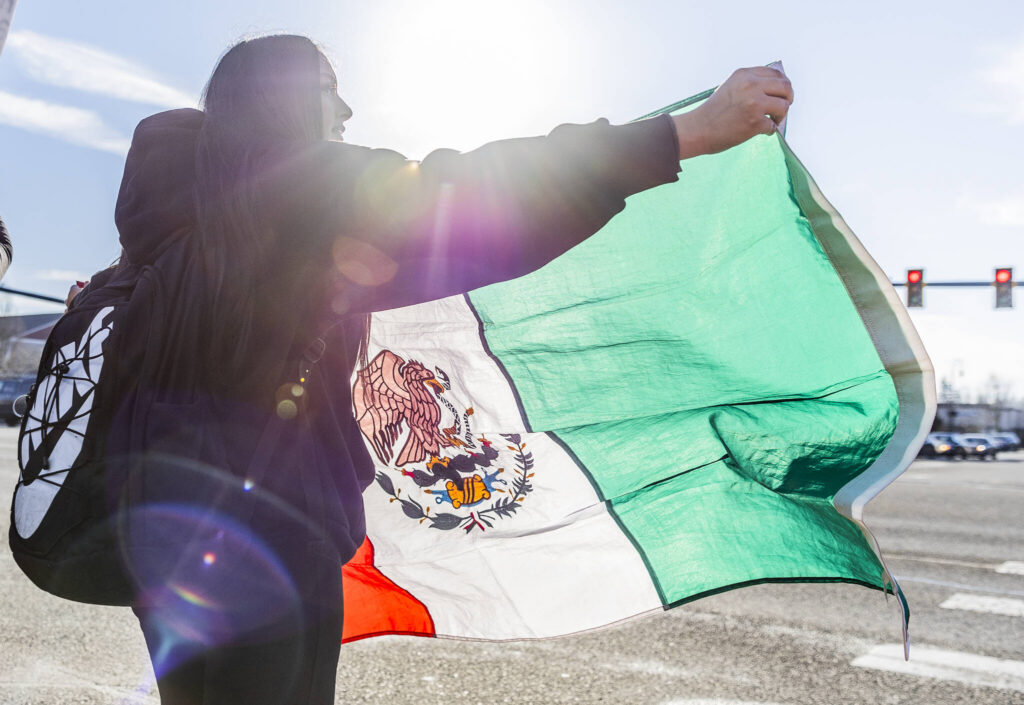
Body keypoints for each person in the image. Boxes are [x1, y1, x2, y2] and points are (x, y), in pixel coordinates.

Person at [97, 34, 791, 705]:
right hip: (267, 549)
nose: (344, 113)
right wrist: (683, 134)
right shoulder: (291, 194)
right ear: (279, 102)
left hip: (159, 543)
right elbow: (465, 195)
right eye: (328, 92)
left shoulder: (170, 229)